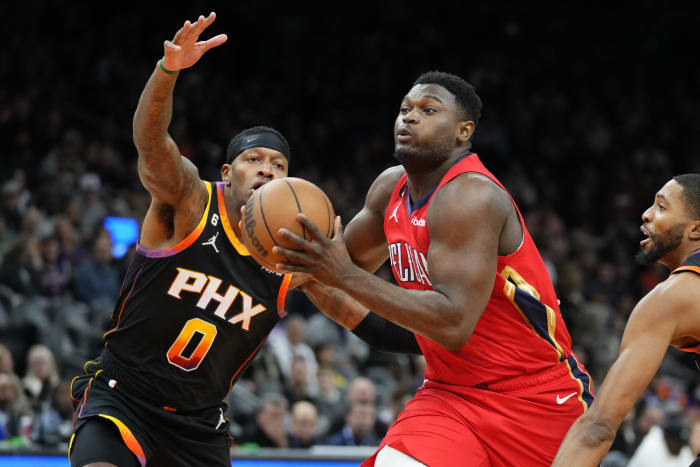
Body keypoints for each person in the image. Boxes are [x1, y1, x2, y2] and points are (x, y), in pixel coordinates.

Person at [274, 71, 593, 466]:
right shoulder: (390, 189)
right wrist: (279, 259)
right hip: (449, 395)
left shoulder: (471, 196)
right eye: (405, 109)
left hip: (535, 399)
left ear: (464, 131)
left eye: (428, 110)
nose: (408, 118)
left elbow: (453, 323)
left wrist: (339, 275)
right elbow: (332, 268)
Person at [68, 12, 303, 467]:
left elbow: (358, 296)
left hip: (198, 424)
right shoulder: (190, 202)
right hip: (124, 399)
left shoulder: (293, 253)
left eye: (278, 165)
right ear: (227, 173)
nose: (267, 169)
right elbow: (151, 143)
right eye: (254, 159)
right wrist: (167, 71)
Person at [552, 173, 700, 467]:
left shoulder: (673, 297)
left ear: (695, 230)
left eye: (661, 207)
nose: (645, 214)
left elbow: (599, 427)